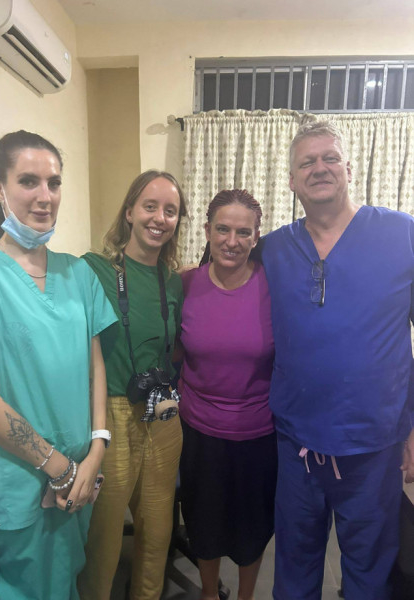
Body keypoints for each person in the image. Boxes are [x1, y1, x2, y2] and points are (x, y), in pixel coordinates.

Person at [261, 120, 414, 600]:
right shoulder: (274, 248)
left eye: (330, 158)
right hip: (297, 441)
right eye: (307, 162)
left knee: (369, 571)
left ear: (350, 168)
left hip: (375, 443)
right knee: (294, 566)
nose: (320, 168)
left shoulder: (402, 235)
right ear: (291, 180)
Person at [0, 131, 116, 600]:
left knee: (66, 581)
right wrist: (59, 467)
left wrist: (97, 449)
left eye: (54, 182)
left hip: (79, 476)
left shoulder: (79, 273)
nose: (45, 196)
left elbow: (95, 369)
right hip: (19, 481)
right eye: (28, 181)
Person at [77, 170, 187, 600]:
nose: (160, 218)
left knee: (157, 535)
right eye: (150, 206)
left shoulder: (173, 280)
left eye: (170, 211)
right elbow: (36, 276)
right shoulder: (93, 269)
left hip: (162, 413)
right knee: (103, 542)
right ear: (129, 212)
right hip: (111, 413)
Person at [178, 189, 277, 600]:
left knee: (253, 528)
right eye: (222, 229)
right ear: (207, 231)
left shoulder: (275, 288)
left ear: (256, 237)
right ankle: (208, 592)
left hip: (259, 435)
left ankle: (245, 596)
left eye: (243, 232)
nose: (231, 241)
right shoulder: (185, 284)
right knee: (203, 524)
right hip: (198, 433)